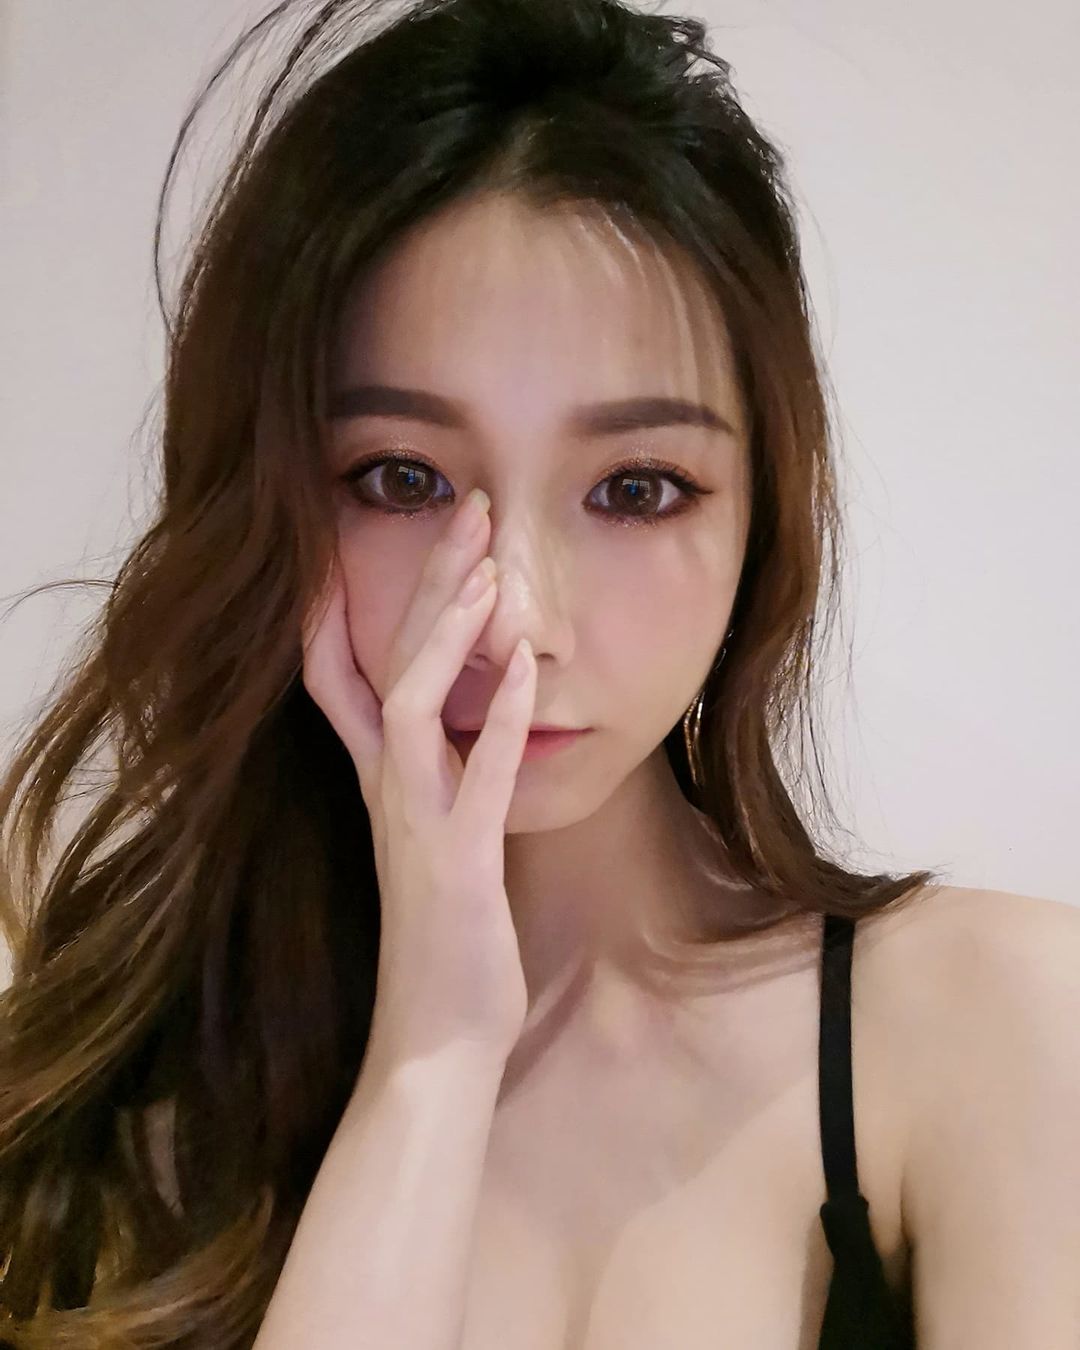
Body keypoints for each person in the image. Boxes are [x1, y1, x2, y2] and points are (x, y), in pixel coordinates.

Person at [2, 2, 1078, 1347]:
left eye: (636, 488)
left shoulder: (1001, 1025)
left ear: (760, 519)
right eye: (403, 479)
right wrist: (431, 1061)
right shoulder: (121, 1131)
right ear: (270, 503)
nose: (516, 618)